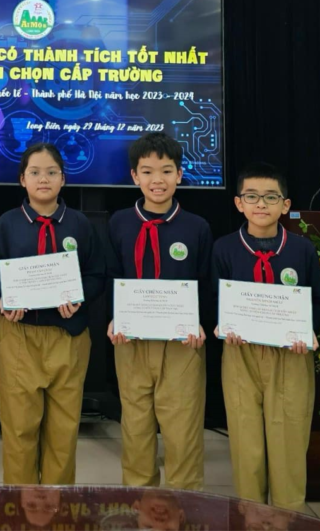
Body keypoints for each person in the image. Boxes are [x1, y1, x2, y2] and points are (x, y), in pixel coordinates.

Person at [0, 142, 106, 484]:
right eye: (35, 172)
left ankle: (58, 505)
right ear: (22, 179)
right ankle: (19, 504)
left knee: (63, 431)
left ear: (63, 179)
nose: (44, 179)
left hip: (68, 336)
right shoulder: (7, 224)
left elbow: (97, 275)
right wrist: (2, 300)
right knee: (19, 430)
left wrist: (79, 298)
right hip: (18, 336)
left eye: (52, 172)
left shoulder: (80, 224)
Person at [211, 162, 320, 512]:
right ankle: (250, 515)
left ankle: (289, 516)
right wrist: (221, 324)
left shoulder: (302, 250)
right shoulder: (224, 248)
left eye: (271, 197)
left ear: (285, 205)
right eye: (252, 196)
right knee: (245, 441)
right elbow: (213, 298)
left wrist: (308, 329)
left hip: (291, 355)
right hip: (240, 353)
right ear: (238, 203)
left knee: (289, 442)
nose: (261, 204)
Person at [106, 133, 214, 489]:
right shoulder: (119, 222)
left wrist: (201, 322)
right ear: (134, 176)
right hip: (131, 340)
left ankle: (186, 502)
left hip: (181, 343)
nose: (158, 180)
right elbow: (112, 275)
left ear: (180, 175)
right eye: (148, 171)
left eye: (166, 171)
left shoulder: (196, 226)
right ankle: (139, 502)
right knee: (136, 427)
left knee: (183, 429)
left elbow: (205, 281)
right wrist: (114, 317)